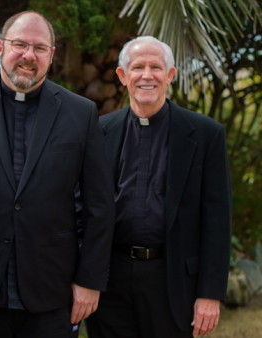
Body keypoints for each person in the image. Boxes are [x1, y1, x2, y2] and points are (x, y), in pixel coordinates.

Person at [0, 11, 115, 338]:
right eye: (20, 45)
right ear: (0, 47)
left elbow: (100, 207)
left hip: (50, 292)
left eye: (40, 48)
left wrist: (89, 281)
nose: (29, 55)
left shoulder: (80, 113)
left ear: (51, 56)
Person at [85, 36, 232, 338]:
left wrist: (210, 294)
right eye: (138, 67)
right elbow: (83, 208)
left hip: (173, 279)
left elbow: (217, 221)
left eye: (156, 67)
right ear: (123, 77)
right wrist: (84, 279)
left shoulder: (206, 134)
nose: (147, 75)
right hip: (111, 278)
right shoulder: (100, 132)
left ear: (170, 75)